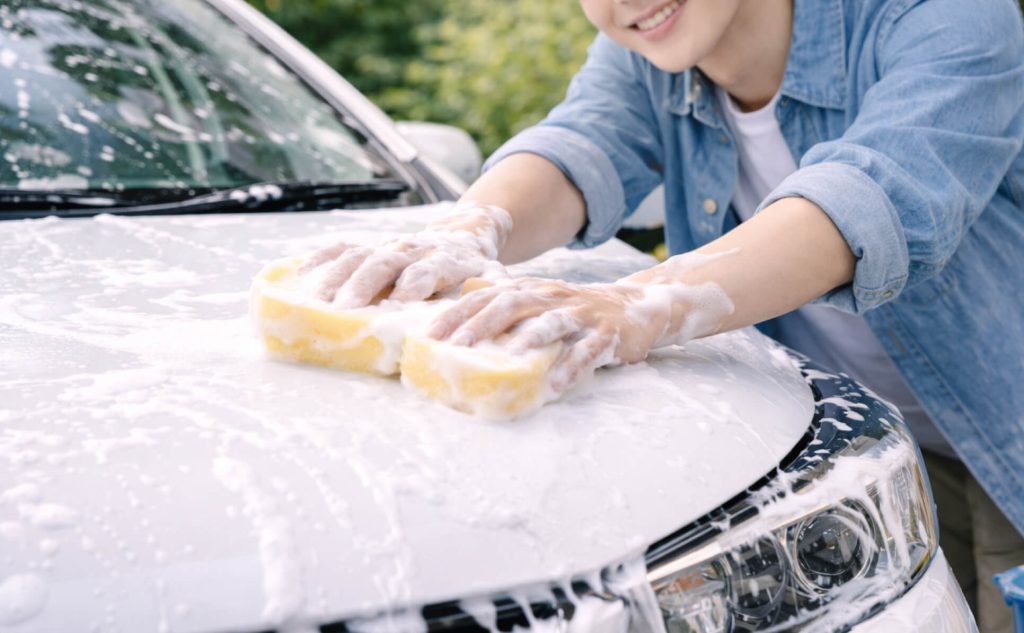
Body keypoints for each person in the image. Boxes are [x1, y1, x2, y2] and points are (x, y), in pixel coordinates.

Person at [310, 0, 1024, 629]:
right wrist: (465, 232)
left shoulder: (948, 15)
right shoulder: (651, 50)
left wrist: (639, 303)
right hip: (862, 444)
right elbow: (579, 141)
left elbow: (871, 195)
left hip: (1008, 441)